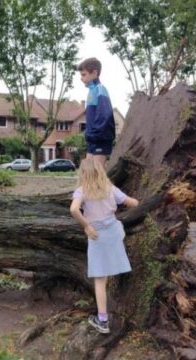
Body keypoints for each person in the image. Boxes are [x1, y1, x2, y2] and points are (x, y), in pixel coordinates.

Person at [70, 159, 139, 334]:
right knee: (110, 271)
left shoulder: (82, 191)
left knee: (100, 279)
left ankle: (103, 320)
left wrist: (86, 225)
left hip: (97, 236)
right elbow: (133, 203)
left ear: (83, 174)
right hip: (113, 233)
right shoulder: (110, 189)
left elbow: (73, 210)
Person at [77, 57, 115, 168]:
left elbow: (104, 115)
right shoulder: (91, 92)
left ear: (94, 73)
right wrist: (88, 136)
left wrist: (94, 135)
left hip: (100, 139)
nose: (81, 78)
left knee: (98, 174)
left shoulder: (100, 89)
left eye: (83, 75)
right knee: (89, 173)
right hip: (92, 140)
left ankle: (105, 186)